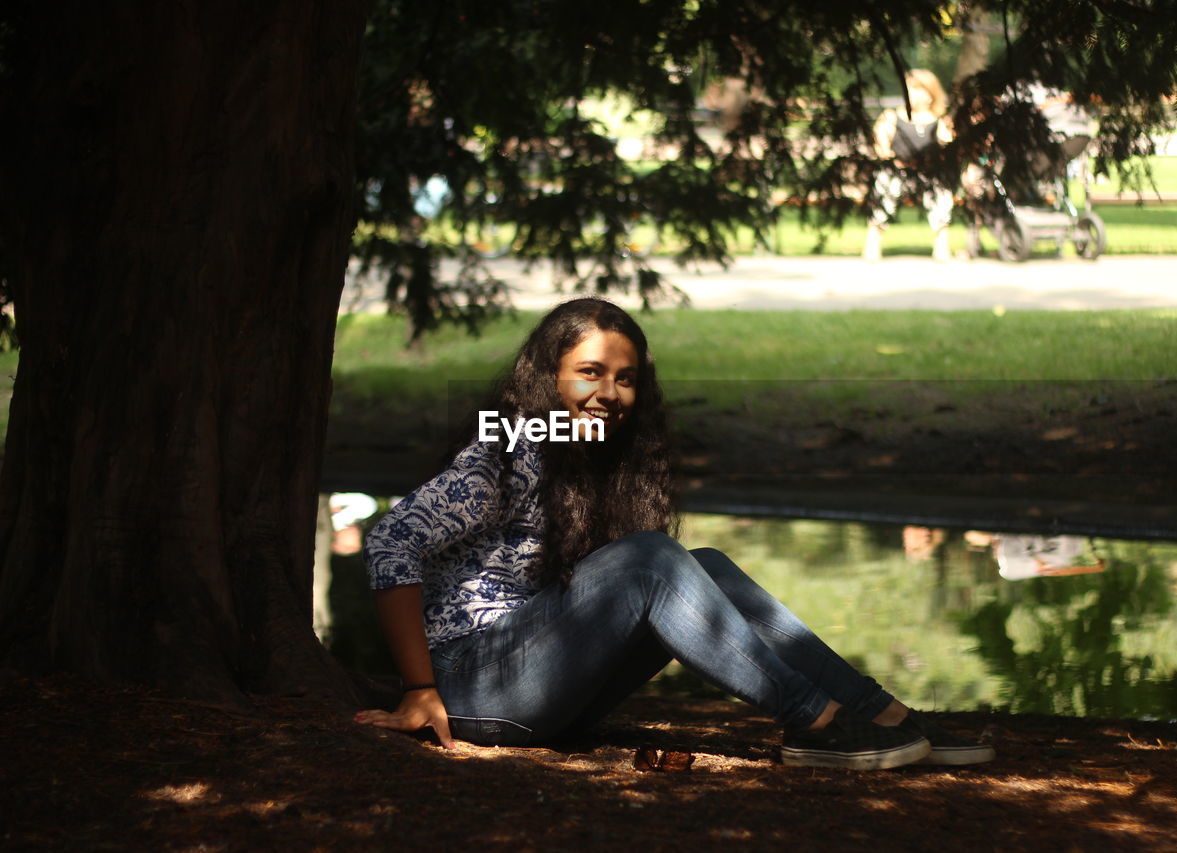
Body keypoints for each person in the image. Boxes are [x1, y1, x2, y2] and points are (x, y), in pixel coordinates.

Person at [353, 298, 994, 770]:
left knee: (705, 564)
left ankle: (882, 715)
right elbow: (389, 541)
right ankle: (816, 723)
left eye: (624, 378)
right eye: (589, 373)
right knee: (651, 560)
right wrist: (418, 687)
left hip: (543, 685)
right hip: (475, 683)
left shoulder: (594, 460)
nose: (608, 393)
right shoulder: (502, 449)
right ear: (547, 377)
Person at [864, 69, 955, 262]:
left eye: (916, 90)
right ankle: (872, 243)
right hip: (897, 171)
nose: (910, 94)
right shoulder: (891, 117)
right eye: (908, 89)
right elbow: (881, 147)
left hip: (927, 174)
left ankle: (942, 246)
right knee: (885, 184)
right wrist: (886, 149)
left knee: (941, 191)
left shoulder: (939, 121)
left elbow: (947, 149)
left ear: (930, 94)